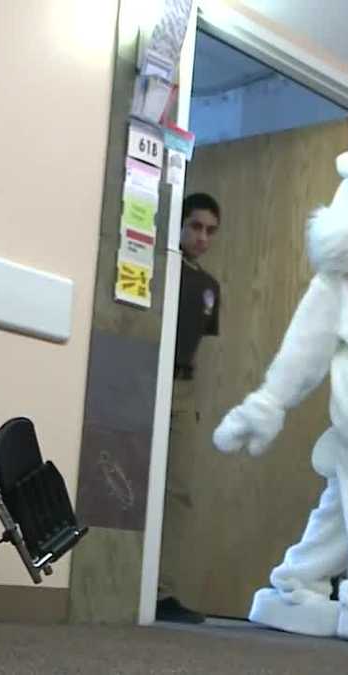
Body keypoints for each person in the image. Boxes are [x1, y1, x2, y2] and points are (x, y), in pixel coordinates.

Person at [157, 192, 222, 624]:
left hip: (182, 388)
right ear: (180, 226)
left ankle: (162, 593)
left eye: (210, 231)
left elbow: (203, 348)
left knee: (178, 490)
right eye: (195, 227)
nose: (201, 237)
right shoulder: (162, 268)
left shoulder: (210, 287)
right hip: (148, 378)